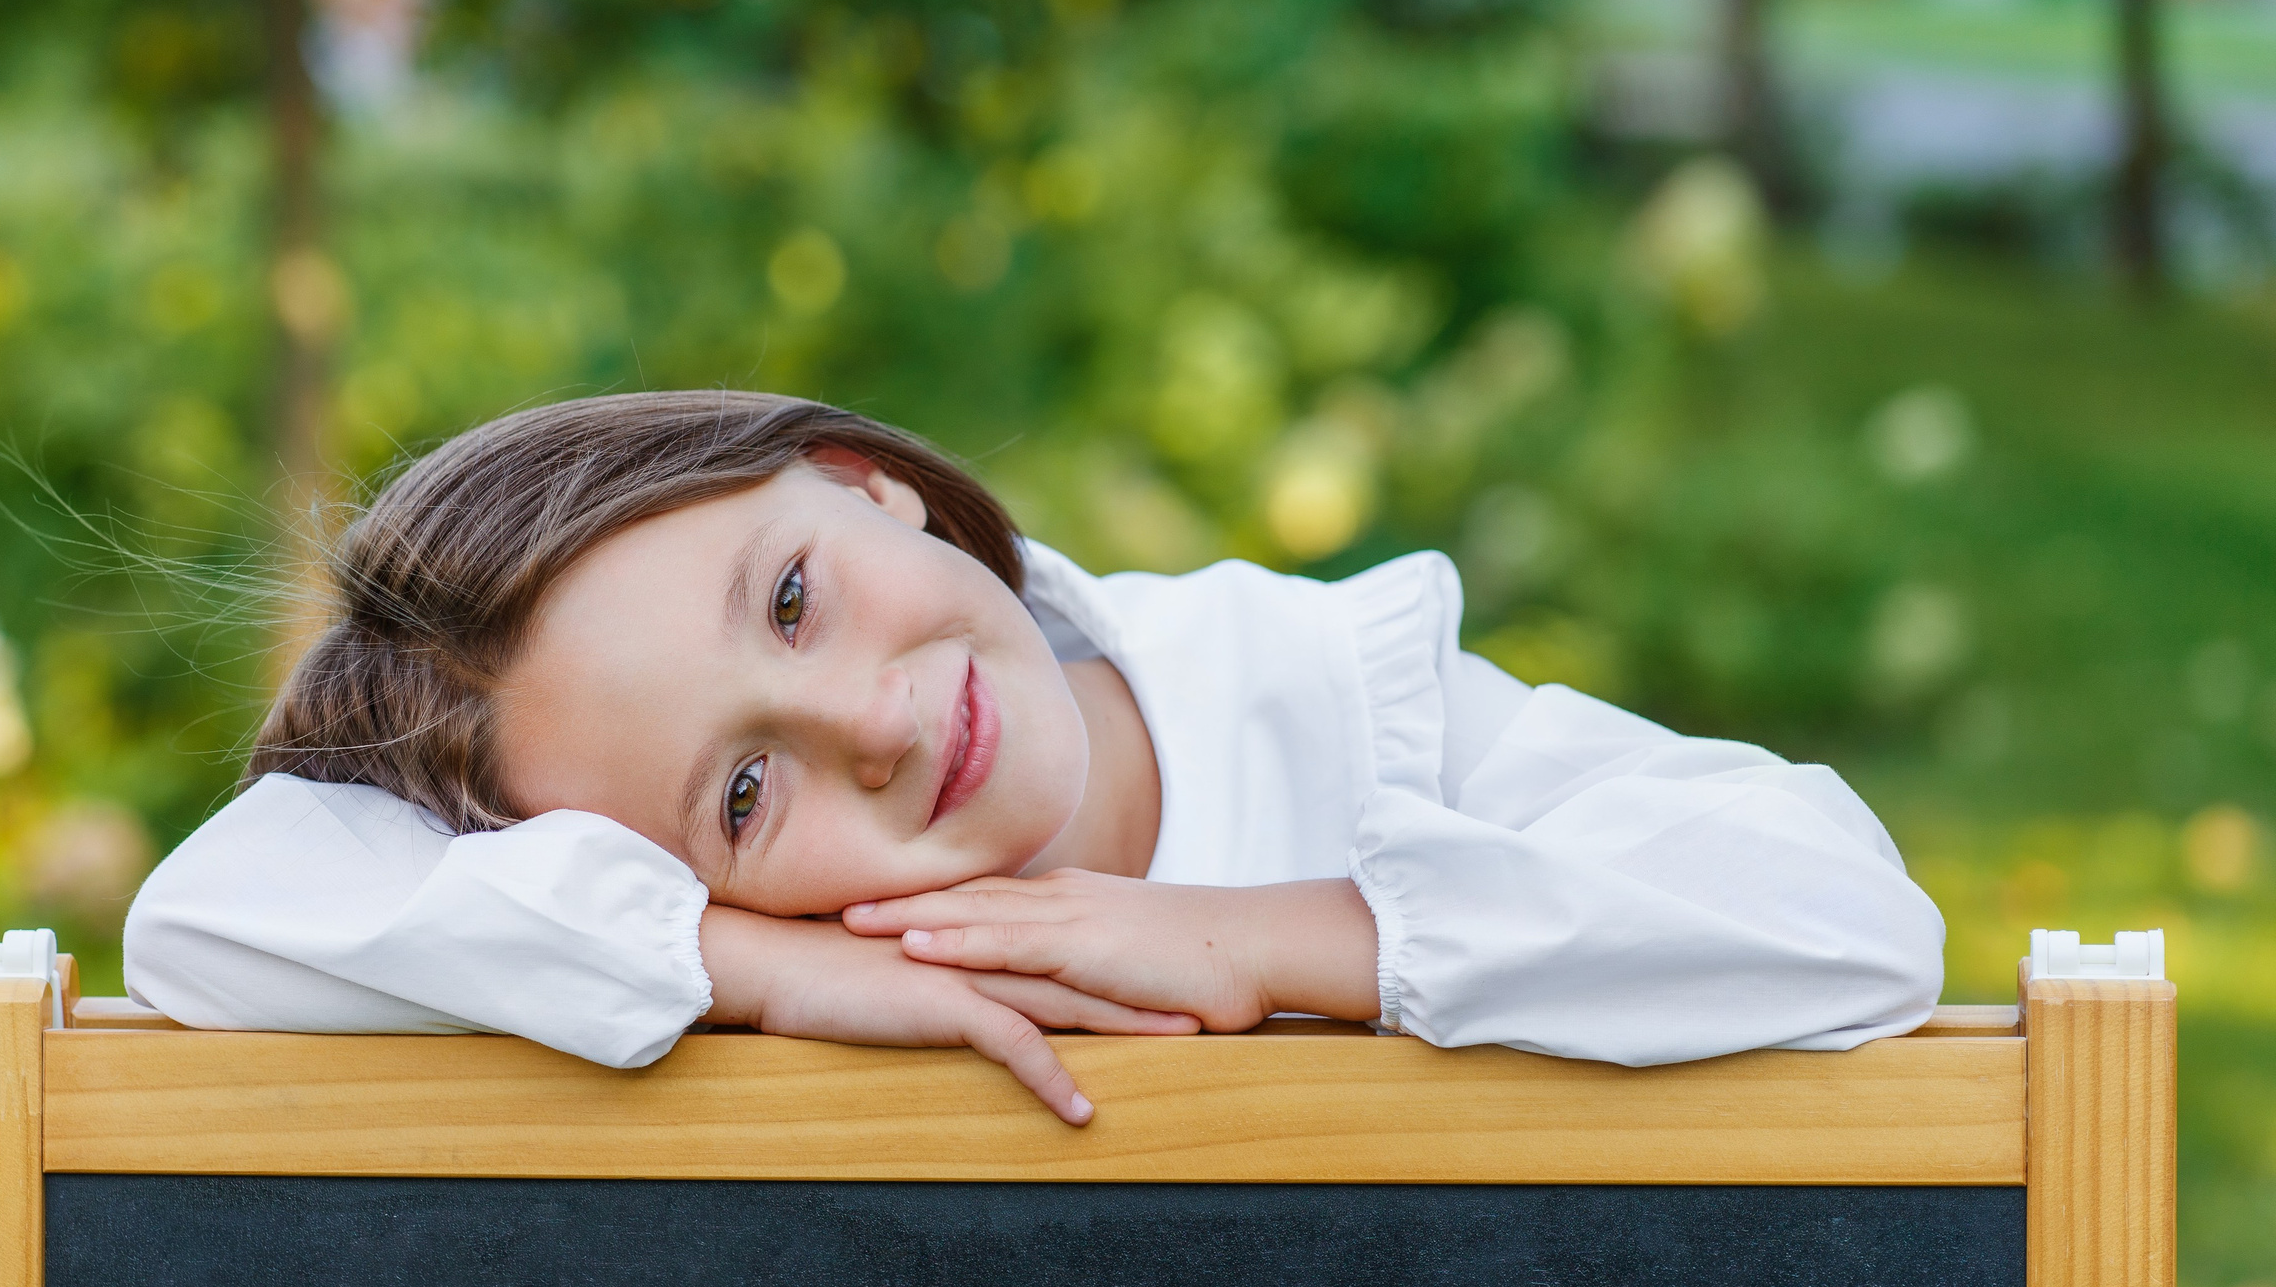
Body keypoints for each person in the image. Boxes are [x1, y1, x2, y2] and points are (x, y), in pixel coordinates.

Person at [125, 391, 1944, 1124]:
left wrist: (1275, 940)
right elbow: (214, 919)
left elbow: (1853, 916)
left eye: (791, 601)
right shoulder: (777, 956)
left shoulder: (1332, 696)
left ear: (857, 479)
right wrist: (750, 966)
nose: (876, 722)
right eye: (746, 799)